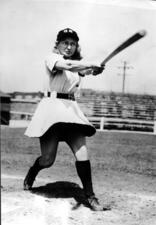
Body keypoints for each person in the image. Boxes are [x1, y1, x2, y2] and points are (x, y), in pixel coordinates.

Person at [23, 28, 106, 211]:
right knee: (48, 160)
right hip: (51, 110)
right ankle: (33, 171)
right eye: (65, 43)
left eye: (72, 44)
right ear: (58, 45)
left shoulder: (78, 64)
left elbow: (86, 70)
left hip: (71, 111)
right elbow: (68, 66)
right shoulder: (52, 58)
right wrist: (91, 63)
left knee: (83, 153)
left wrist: (95, 69)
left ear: (77, 46)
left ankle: (90, 196)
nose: (69, 47)